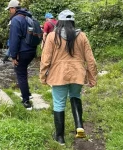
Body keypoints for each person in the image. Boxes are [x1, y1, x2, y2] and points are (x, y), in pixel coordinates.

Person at [39, 9, 97, 145]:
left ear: (59, 22)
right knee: (75, 96)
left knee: (59, 103)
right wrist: (93, 77)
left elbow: (45, 59)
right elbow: (91, 60)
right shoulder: (82, 36)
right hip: (78, 73)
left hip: (58, 74)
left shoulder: (52, 36)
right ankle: (79, 126)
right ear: (72, 22)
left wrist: (43, 76)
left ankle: (60, 138)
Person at [5, 0, 37, 110]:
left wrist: (13, 56)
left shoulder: (16, 20)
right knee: (24, 71)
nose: (9, 11)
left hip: (22, 52)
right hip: (32, 50)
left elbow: (14, 40)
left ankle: (26, 101)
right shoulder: (28, 17)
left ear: (14, 8)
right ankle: (28, 93)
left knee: (20, 74)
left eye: (10, 9)